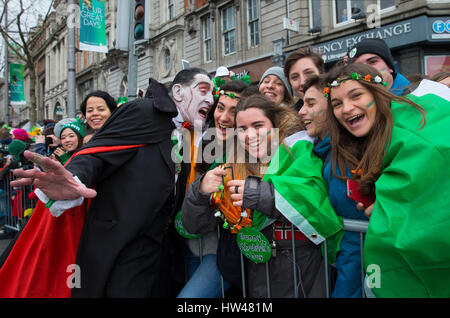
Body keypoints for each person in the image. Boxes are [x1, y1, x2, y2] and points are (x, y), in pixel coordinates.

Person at [0, 68, 214, 298]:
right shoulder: (144, 111)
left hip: (155, 250)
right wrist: (74, 178)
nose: (210, 99)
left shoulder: (187, 133)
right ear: (178, 92)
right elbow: (98, 152)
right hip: (120, 246)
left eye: (212, 93)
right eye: (203, 90)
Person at [182, 94, 343, 298]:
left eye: (258, 125)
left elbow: (312, 197)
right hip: (256, 276)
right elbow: (193, 225)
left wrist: (258, 193)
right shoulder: (232, 163)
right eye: (242, 129)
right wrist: (200, 192)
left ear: (274, 125)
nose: (250, 135)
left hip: (301, 274)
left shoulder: (297, 150)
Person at [324, 62, 450, 297]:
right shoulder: (361, 142)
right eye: (337, 104)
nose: (347, 108)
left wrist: (385, 206)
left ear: (378, 93)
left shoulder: (413, 127)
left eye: (356, 95)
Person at [177, 79, 249, 298]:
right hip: (192, 245)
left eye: (234, 112)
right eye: (220, 108)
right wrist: (199, 192)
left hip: (222, 253)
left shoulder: (250, 154)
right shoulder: (203, 144)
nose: (224, 118)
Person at [300, 75, 368, 297]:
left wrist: (346, 291)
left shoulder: (345, 158)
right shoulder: (326, 152)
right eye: (302, 104)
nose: (301, 112)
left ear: (331, 108)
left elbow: (356, 238)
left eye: (311, 103)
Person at [283, 46, 325, 111]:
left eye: (308, 73)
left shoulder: (339, 106)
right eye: (295, 77)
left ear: (321, 74)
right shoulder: (291, 117)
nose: (302, 82)